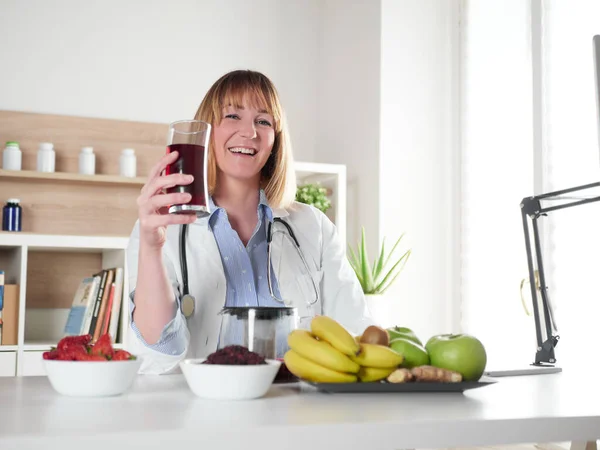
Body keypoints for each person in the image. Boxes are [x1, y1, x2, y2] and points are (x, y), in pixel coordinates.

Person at [125, 69, 374, 374]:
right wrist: (152, 248)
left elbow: (354, 333)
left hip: (296, 410)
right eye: (232, 116)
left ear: (275, 141)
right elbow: (158, 352)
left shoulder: (314, 228)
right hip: (204, 411)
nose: (249, 132)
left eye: (263, 121)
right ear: (205, 131)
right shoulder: (162, 228)